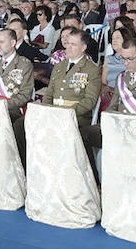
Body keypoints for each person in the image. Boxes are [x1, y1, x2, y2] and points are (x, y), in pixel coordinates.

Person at [13, 27, 101, 163]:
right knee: (21, 124)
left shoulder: (92, 69)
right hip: (53, 112)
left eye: (73, 44)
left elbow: (90, 100)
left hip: (75, 115)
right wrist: (46, 110)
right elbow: (49, 94)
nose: (68, 47)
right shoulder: (59, 66)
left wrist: (66, 112)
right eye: (67, 43)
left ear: (83, 47)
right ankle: (29, 167)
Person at [80, 31, 136, 153]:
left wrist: (128, 125)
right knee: (82, 134)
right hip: (118, 126)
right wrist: (111, 122)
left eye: (130, 59)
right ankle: (95, 172)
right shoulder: (121, 77)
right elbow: (113, 106)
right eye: (123, 58)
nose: (126, 63)